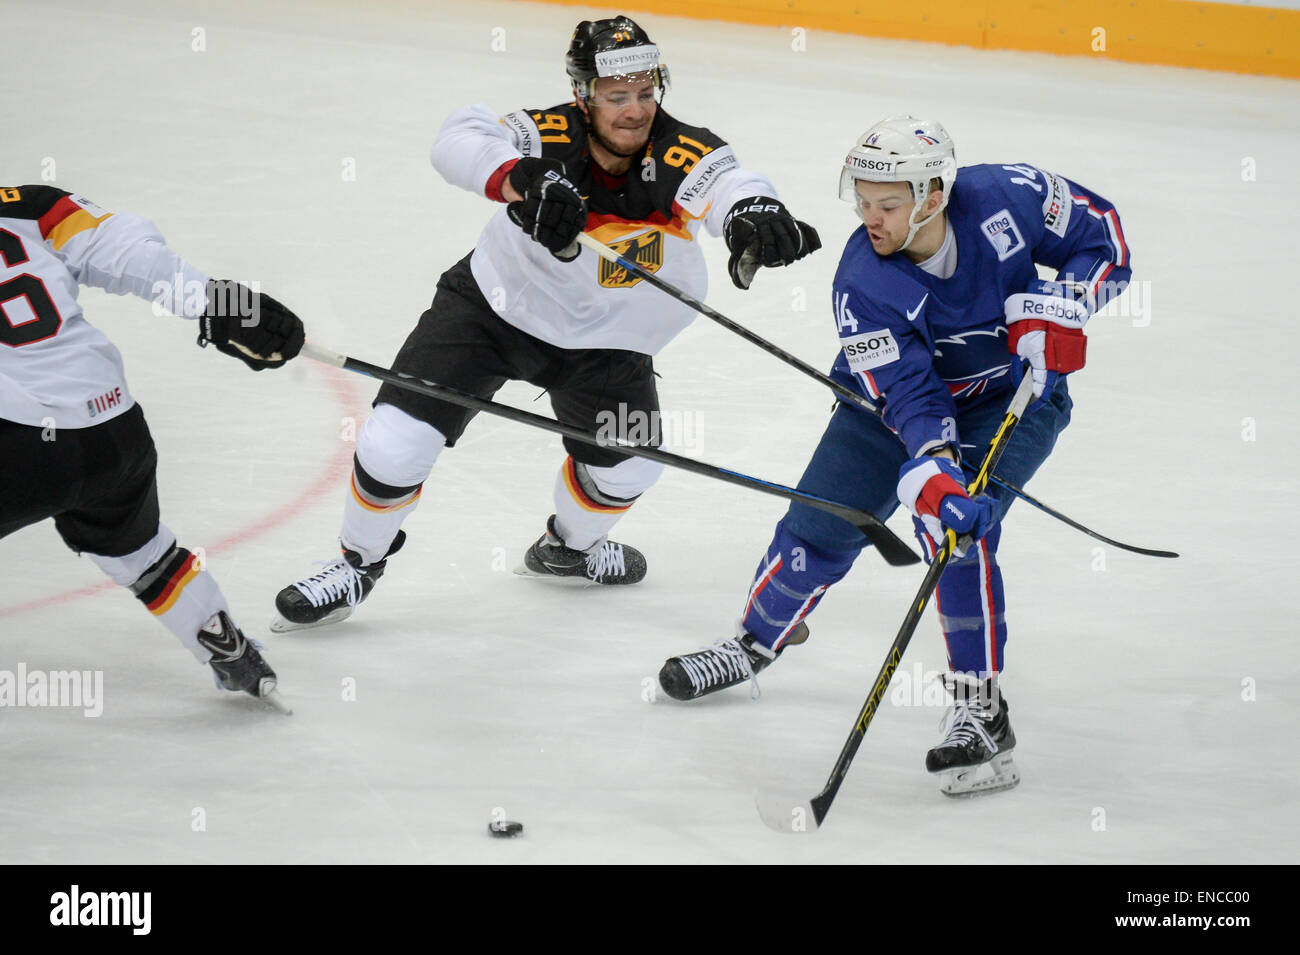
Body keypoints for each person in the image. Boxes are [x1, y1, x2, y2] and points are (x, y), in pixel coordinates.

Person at [271, 15, 820, 631]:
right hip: (491, 313)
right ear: (584, 96)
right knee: (394, 442)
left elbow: (731, 184)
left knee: (634, 465)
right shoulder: (546, 134)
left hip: (609, 346)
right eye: (616, 97)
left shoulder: (683, 150)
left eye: (645, 92)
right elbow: (458, 137)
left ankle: (568, 548)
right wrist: (520, 181)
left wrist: (757, 212)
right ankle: (357, 563)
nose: (635, 110)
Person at [656, 117, 1131, 796]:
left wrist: (1064, 303)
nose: (869, 218)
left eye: (887, 203)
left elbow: (1105, 238)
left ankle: (981, 707)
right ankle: (755, 642)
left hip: (1011, 401)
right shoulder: (864, 281)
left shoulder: (1011, 196)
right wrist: (932, 467)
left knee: (958, 535)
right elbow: (911, 397)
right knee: (815, 527)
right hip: (888, 410)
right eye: (862, 201)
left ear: (934, 194)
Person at [0, 184, 305, 708]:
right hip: (115, 431)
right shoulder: (24, 205)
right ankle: (226, 647)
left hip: (23, 444)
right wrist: (225, 303)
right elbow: (133, 257)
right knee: (143, 553)